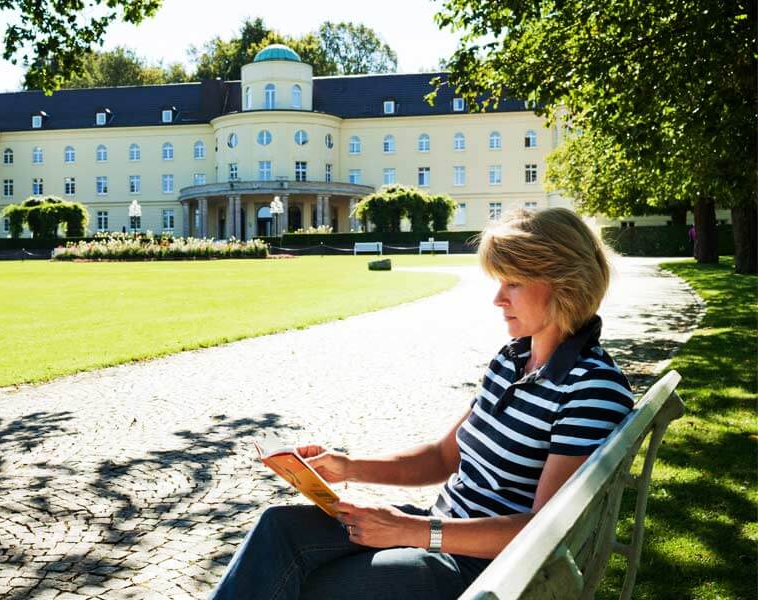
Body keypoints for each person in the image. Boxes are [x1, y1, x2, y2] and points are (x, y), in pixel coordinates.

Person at [211, 208, 634, 600]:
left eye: (514, 283)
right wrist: (348, 467)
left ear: (564, 284)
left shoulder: (591, 387)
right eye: (499, 282)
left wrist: (407, 529)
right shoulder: (512, 359)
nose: (498, 298)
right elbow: (441, 456)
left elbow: (543, 529)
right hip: (437, 535)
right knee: (278, 530)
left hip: (484, 570)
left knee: (306, 585)